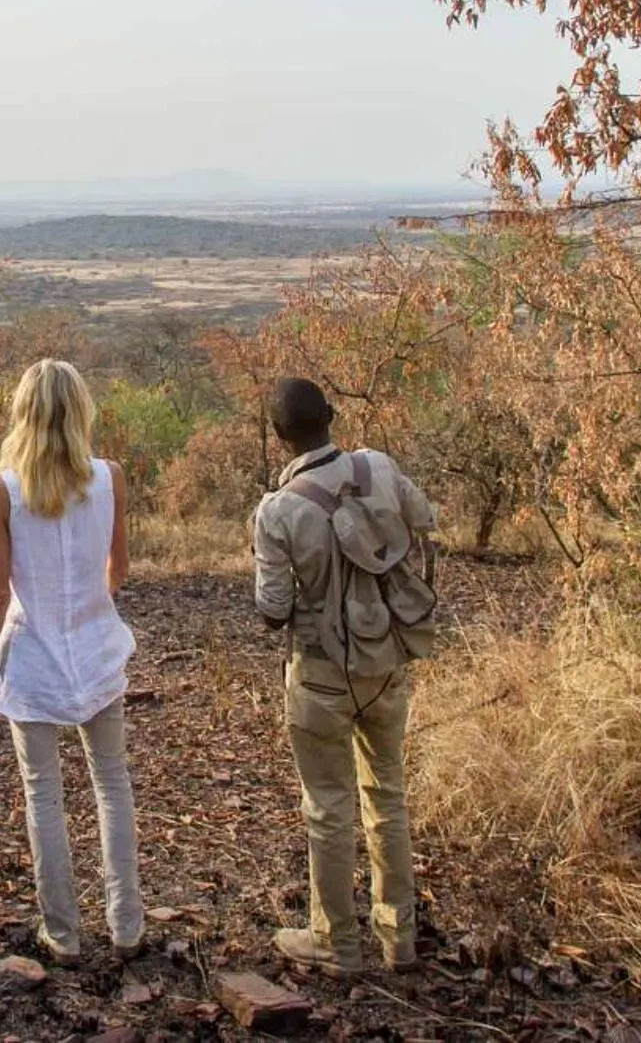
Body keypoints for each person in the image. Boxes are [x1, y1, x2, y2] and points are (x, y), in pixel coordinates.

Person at [251, 376, 440, 977]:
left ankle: (336, 943)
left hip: (321, 674)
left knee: (328, 809)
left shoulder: (278, 510)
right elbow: (424, 519)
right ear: (332, 416)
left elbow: (272, 609)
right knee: (387, 796)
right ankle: (399, 938)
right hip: (387, 661)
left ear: (279, 437)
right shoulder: (378, 466)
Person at [0, 359, 145, 964]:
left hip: (34, 655)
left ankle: (64, 934)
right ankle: (127, 925)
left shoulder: (0, 490)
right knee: (112, 783)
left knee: (43, 793)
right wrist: (89, 603)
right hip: (97, 647)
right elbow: (117, 567)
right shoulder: (110, 477)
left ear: (23, 412)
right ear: (81, 411)